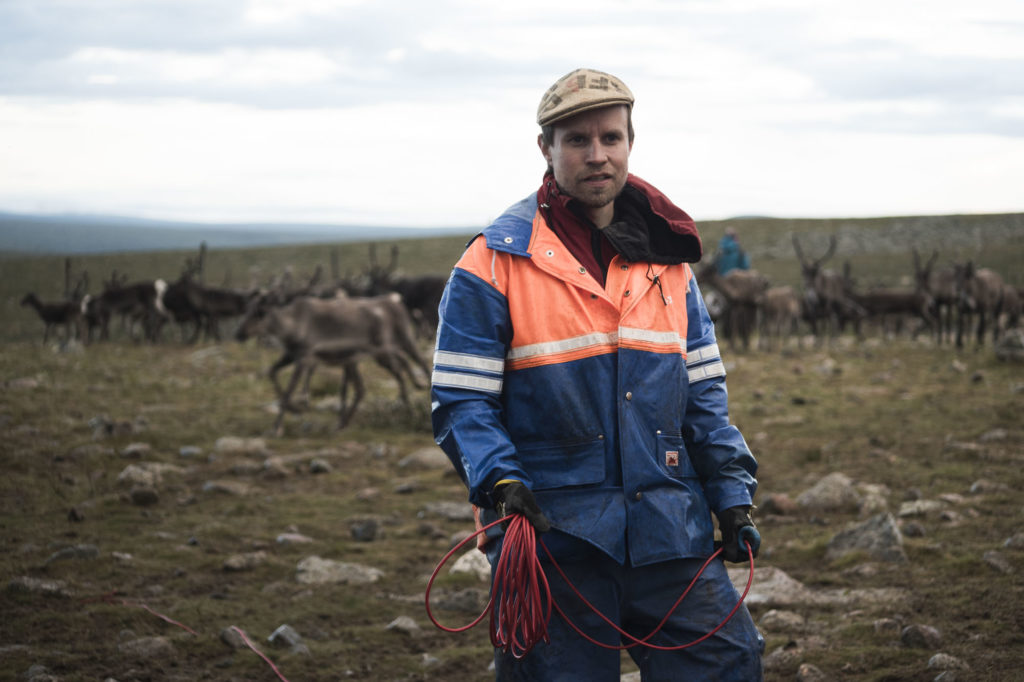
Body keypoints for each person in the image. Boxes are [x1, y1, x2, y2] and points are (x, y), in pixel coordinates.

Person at [431, 67, 763, 681]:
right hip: (552, 533)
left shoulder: (670, 263)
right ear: (546, 149)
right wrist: (498, 480)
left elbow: (704, 398)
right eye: (577, 141)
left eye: (610, 138)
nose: (597, 155)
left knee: (728, 662)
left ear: (629, 144)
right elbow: (461, 402)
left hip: (670, 524)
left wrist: (732, 497)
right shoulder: (491, 265)